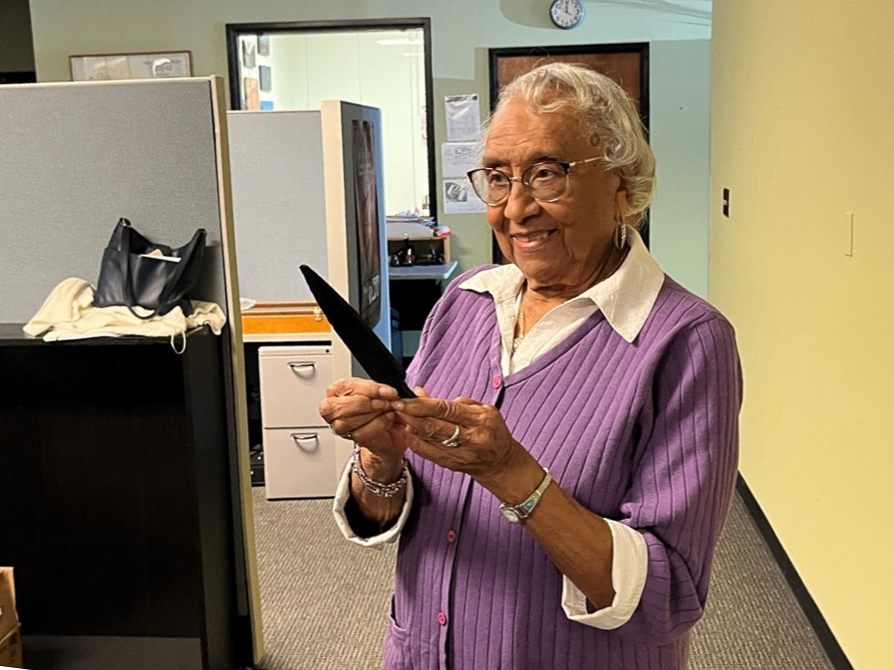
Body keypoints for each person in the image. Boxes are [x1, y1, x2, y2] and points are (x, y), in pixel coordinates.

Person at [320, 62, 742, 670]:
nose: (514, 209)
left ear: (624, 184)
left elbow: (668, 596)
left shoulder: (685, 342)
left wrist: (512, 473)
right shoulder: (464, 302)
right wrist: (383, 458)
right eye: (497, 176)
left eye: (548, 173)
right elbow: (406, 511)